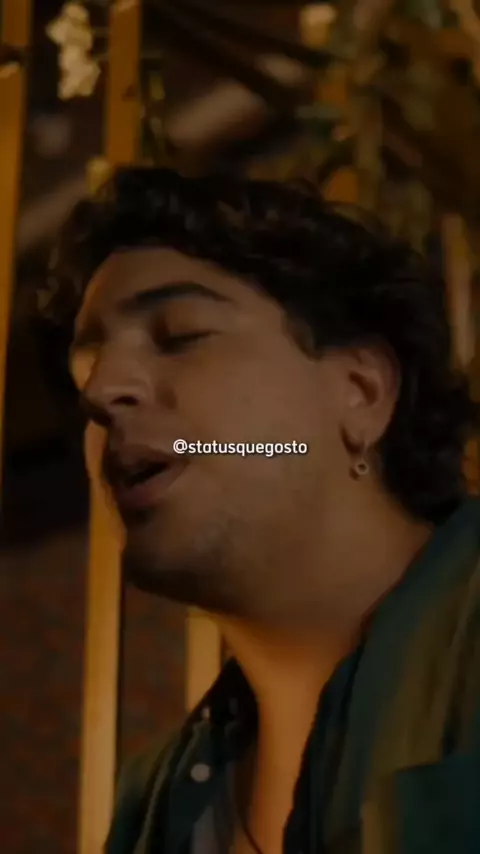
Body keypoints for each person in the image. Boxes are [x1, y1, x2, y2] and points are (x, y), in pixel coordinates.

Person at [47, 167, 480, 854]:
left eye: (181, 334)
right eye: (86, 371)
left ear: (362, 391)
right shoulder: (153, 807)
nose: (101, 392)